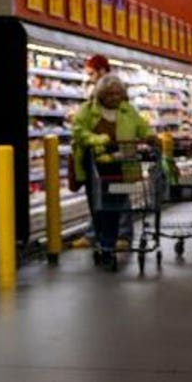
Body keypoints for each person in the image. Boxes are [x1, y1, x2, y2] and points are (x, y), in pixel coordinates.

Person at [72, 74, 154, 270]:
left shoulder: (128, 110)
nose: (114, 97)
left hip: (122, 166)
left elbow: (142, 127)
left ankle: (110, 242)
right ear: (101, 94)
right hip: (96, 168)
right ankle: (104, 241)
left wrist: (151, 136)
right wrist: (97, 140)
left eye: (118, 93)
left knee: (117, 205)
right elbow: (78, 131)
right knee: (99, 207)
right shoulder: (88, 110)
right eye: (110, 94)